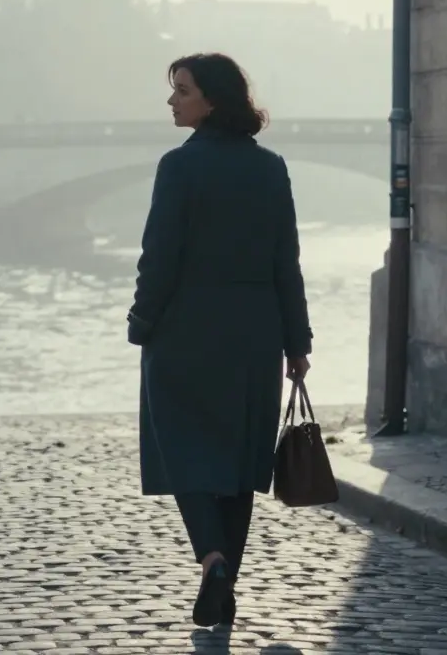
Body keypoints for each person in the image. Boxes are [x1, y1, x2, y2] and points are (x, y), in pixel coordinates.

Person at [127, 53, 313, 628]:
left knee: (181, 450)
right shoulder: (271, 167)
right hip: (255, 335)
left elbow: (160, 255)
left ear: (212, 100)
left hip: (184, 331)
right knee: (237, 463)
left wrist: (141, 320)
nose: (172, 101)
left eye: (181, 90)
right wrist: (297, 341)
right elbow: (288, 261)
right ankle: (226, 578)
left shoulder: (178, 168)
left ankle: (210, 558)